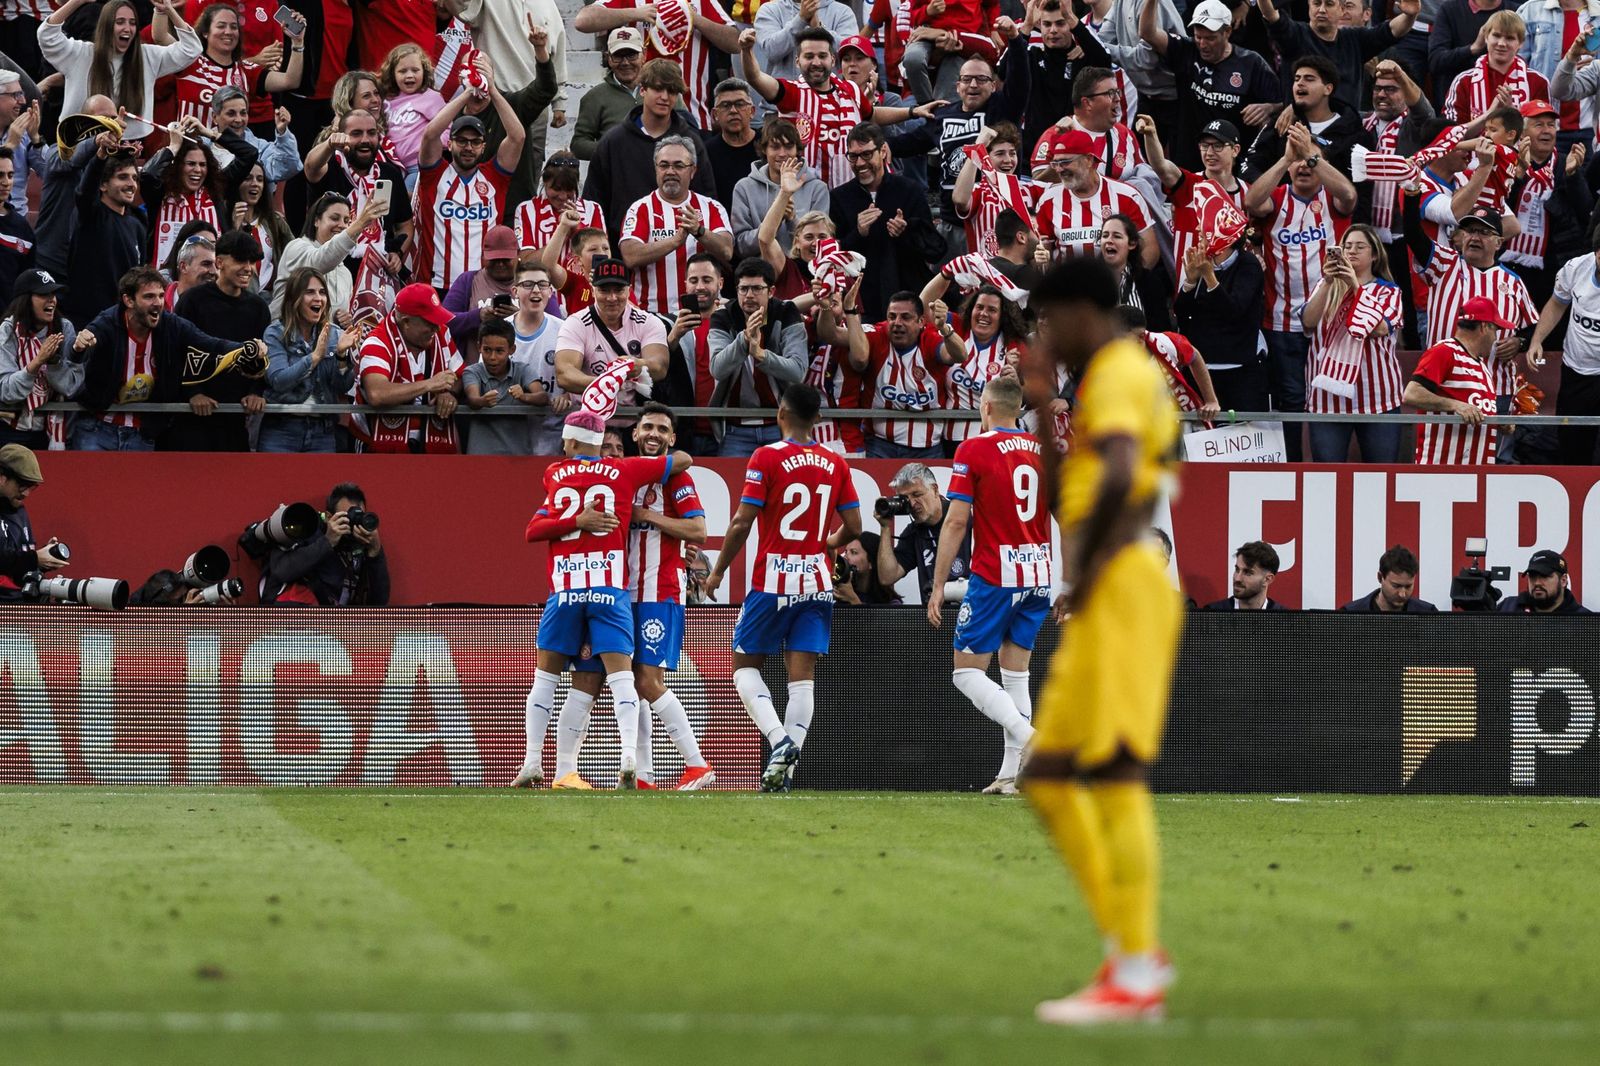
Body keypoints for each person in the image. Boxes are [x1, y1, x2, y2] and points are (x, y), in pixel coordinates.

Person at [1022, 258, 1180, 1023]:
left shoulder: (1121, 367)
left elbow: (1121, 474)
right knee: (1048, 775)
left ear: (1085, 309)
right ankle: (1132, 951)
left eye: (1052, 318)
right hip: (1104, 581)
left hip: (1121, 582)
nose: (1047, 334)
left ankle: (1137, 968)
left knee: (1113, 771)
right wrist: (1042, 404)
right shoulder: (1092, 385)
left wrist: (1082, 569)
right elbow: (1070, 495)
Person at [520, 409, 696, 790]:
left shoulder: (553, 475)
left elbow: (533, 530)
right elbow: (682, 459)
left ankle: (536, 762)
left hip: (564, 591)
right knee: (623, 680)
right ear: (604, 445)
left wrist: (574, 521)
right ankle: (630, 760)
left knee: (547, 681)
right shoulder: (625, 472)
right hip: (609, 590)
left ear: (567, 442)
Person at [703, 383, 862, 792]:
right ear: (818, 420)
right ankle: (784, 776)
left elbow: (741, 522)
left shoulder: (766, 456)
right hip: (817, 581)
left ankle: (780, 742)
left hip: (774, 579)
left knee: (743, 669)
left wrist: (718, 571)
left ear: (780, 413)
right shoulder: (835, 462)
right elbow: (856, 528)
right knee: (802, 680)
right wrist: (827, 543)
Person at [926, 376, 1048, 794]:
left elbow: (957, 519)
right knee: (1016, 677)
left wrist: (939, 583)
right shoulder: (1043, 450)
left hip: (997, 574)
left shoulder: (974, 448)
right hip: (1038, 573)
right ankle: (1012, 776)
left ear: (988, 408)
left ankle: (1033, 739)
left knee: (966, 674)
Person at [617, 403, 716, 789]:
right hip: (625, 593)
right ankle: (644, 774)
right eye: (648, 427)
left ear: (672, 439)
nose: (654, 434)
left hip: (661, 591)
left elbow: (699, 530)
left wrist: (650, 517)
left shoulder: (677, 478)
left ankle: (697, 764)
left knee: (646, 679)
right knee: (633, 683)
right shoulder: (624, 475)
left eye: (662, 429)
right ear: (635, 434)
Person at [1244, 120, 1356, 462]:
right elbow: (1251, 201)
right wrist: (1286, 159)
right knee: (1291, 399)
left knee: (1330, 398)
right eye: (1297, 161)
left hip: (1331, 322)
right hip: (1280, 324)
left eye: (1310, 161)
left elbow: (1350, 195)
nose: (1303, 167)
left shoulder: (1332, 199)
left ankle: (1328, 467)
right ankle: (1294, 466)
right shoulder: (1276, 200)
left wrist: (1311, 154)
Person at [73, 266, 258, 451]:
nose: (158, 303)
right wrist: (79, 345)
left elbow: (209, 344)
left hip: (141, 433)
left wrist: (247, 348)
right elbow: (80, 349)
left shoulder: (171, 324)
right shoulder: (108, 323)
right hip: (97, 429)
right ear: (128, 300)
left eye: (161, 296)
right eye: (149, 297)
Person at [582, 59, 719, 253]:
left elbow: (707, 202)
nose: (665, 97)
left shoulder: (692, 142)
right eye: (658, 89)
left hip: (683, 255)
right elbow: (594, 205)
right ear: (643, 89)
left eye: (672, 91)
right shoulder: (613, 142)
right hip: (624, 252)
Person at [1302, 224, 1406, 463]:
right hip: (1327, 398)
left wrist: (1356, 286)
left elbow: (1378, 328)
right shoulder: (1324, 286)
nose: (1351, 251)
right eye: (1346, 246)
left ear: (1375, 255)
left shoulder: (1388, 291)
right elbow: (1308, 322)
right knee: (1327, 476)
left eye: (1360, 247)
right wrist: (1329, 281)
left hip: (1377, 398)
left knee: (1381, 476)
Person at [1138, 0, 1279, 170]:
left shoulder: (1251, 63)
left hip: (1232, 166)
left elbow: (1283, 102)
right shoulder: (1186, 50)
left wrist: (1269, 108)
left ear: (1227, 31)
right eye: (1199, 37)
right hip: (1188, 163)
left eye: (1210, 38)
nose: (1203, 44)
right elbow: (1147, 33)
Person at [411, 88, 526, 291]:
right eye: (462, 141)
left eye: (475, 142)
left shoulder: (494, 177)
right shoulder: (434, 176)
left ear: (483, 146)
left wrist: (491, 89)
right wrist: (466, 94)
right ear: (450, 143)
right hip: (436, 284)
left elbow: (517, 137)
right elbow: (430, 134)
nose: (468, 147)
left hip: (482, 284)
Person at [829, 122, 944, 320]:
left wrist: (906, 232)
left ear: (883, 151)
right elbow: (834, 255)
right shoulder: (840, 197)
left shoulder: (910, 190)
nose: (860, 163)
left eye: (866, 154)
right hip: (862, 303)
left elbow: (935, 250)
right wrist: (859, 233)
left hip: (908, 299)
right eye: (853, 156)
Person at [169, 229, 271, 451]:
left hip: (236, 419)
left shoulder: (258, 307)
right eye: (241, 260)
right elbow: (176, 352)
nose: (248, 268)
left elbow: (264, 356)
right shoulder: (192, 301)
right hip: (191, 419)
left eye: (251, 261)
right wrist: (193, 393)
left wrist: (256, 392)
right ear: (219, 262)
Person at [573, 0, 744, 131]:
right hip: (640, 125)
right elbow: (583, 21)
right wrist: (635, 13)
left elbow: (735, 42)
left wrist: (694, 19)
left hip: (693, 118)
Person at [620, 135, 734, 315]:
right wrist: (675, 242)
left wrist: (699, 231)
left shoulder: (711, 207)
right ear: (656, 169)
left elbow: (727, 250)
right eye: (664, 165)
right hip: (653, 315)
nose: (670, 171)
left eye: (679, 165)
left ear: (693, 171)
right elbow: (630, 255)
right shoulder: (640, 208)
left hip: (703, 315)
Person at [708, 257, 809, 455]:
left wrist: (761, 355)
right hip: (735, 427)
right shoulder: (723, 317)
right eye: (743, 289)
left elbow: (798, 372)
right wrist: (744, 339)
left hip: (781, 424)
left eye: (757, 288)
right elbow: (717, 369)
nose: (749, 295)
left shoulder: (786, 313)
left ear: (771, 291)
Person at [997, 0, 1117, 162]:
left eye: (1061, 24)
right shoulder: (1032, 56)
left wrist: (1072, 18)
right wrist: (1027, 26)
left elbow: (1104, 60)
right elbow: (1003, 72)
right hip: (1033, 153)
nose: (1053, 30)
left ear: (1071, 25)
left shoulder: (1083, 59)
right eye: (1047, 24)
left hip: (1075, 152)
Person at [553, 256, 670, 421]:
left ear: (629, 290)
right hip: (588, 420)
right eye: (604, 290)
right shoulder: (576, 323)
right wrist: (606, 383)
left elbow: (660, 367)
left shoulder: (649, 322)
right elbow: (564, 374)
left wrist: (637, 365)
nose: (612, 298)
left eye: (619, 290)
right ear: (593, 290)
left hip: (634, 423)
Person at [39, 0, 202, 117]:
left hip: (129, 146)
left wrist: (168, 10)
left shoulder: (146, 56)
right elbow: (47, 36)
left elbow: (192, 49)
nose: (127, 28)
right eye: (120, 22)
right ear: (106, 26)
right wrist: (76, 2)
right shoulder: (82, 53)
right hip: (81, 142)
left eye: (132, 23)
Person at [303, 108, 413, 281]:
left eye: (371, 133)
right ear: (342, 136)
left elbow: (405, 225)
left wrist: (397, 254)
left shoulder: (389, 174)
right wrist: (329, 144)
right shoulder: (331, 166)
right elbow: (310, 167)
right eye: (356, 133)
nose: (365, 140)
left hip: (378, 275)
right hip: (331, 275)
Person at [1255, 0, 1418, 115]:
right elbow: (1271, 16)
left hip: (1346, 130)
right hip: (1301, 126)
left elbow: (1392, 31)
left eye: (1329, 4)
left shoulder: (1355, 39)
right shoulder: (1295, 34)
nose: (1322, 9)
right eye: (1316, 3)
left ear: (1341, 10)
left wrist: (1410, 15)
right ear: (1309, 7)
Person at [355, 282, 463, 454]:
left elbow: (460, 375)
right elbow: (377, 394)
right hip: (376, 445)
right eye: (430, 322)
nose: (436, 328)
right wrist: (430, 384)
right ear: (406, 322)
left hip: (430, 442)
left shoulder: (442, 332)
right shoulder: (376, 342)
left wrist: (449, 393)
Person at [138, 117, 259, 269]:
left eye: (203, 165)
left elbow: (249, 154)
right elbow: (148, 175)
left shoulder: (216, 190)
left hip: (211, 280)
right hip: (164, 280)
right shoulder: (160, 193)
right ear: (178, 166)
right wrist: (174, 146)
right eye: (190, 164)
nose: (197, 170)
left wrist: (208, 132)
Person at [261, 266, 360, 453]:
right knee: (274, 483)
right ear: (294, 299)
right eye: (310, 292)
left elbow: (342, 386)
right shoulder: (276, 333)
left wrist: (341, 356)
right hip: (281, 430)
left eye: (322, 293)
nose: (318, 298)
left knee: (321, 483)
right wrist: (313, 358)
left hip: (323, 432)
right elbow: (278, 380)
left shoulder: (334, 334)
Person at [1402, 296, 1510, 465]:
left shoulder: (1482, 366)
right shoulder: (1445, 351)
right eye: (1495, 330)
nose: (1496, 338)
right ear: (1484, 327)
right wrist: (1456, 405)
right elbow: (1411, 393)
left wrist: (1498, 423)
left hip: (1477, 474)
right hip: (1441, 471)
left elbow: (1475, 412)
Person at [160, 1, 304, 128]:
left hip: (232, 155)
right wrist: (161, 9)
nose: (228, 32)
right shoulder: (190, 61)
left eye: (234, 27)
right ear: (205, 32)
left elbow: (290, 80)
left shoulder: (246, 70)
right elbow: (160, 36)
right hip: (194, 154)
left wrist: (298, 43)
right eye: (221, 26)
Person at [853, 291, 958, 459]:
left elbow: (957, 356)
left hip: (928, 449)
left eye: (905, 317)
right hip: (880, 445)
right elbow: (834, 335)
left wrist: (945, 329)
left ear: (921, 321)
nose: (897, 323)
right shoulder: (877, 335)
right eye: (892, 316)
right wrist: (847, 311)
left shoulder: (929, 339)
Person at [1035, 128, 1159, 266]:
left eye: (1065, 162)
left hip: (1115, 285)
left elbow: (1150, 247)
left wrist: (1129, 282)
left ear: (1088, 160)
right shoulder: (1048, 201)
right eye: (1055, 164)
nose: (1058, 169)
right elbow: (1041, 251)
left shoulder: (1127, 196)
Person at [1175, 233, 1265, 412]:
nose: (1200, 242)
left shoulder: (1248, 264)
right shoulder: (1202, 264)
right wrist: (1190, 281)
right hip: (1202, 369)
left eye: (1204, 236)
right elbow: (1182, 314)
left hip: (1239, 370)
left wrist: (1210, 277)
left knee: (1242, 434)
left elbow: (1234, 311)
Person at [1528, 237, 1600, 464]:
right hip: (1577, 371)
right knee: (1572, 444)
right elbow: (1558, 303)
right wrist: (1536, 340)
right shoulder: (1575, 268)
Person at [260, 482, 390, 606]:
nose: (352, 523)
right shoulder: (308, 530)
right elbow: (281, 572)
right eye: (346, 517)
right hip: (295, 617)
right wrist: (327, 542)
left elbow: (379, 603)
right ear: (329, 517)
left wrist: (375, 552)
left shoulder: (360, 544)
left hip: (333, 622)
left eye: (358, 516)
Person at [270, 193, 386, 319]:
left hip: (326, 338)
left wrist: (345, 320)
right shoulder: (296, 248)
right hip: (283, 335)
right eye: (335, 218)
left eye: (347, 221)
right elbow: (320, 261)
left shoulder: (345, 273)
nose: (342, 225)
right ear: (316, 221)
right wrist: (360, 224)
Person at [66, 147, 144, 329]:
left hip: (123, 323)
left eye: (134, 177)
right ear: (103, 185)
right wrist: (100, 156)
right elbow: (84, 193)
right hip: (87, 323)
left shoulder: (137, 225)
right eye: (122, 177)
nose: (131, 184)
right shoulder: (91, 215)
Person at [0, 270, 80, 449]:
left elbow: (71, 387)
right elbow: (6, 391)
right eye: (44, 294)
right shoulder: (7, 331)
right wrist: (36, 363)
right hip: (11, 430)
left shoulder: (64, 328)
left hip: (53, 430)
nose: (52, 300)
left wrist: (53, 363)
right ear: (25, 300)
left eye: (53, 294)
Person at [734, 123, 831, 266]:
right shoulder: (744, 188)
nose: (782, 153)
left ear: (798, 150)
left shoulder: (817, 188)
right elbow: (741, 247)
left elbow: (820, 244)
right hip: (760, 273)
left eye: (788, 146)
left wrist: (793, 220)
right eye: (775, 147)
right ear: (764, 150)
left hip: (803, 271)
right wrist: (774, 220)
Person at [876, 461, 971, 602]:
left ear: (935, 490)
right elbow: (887, 577)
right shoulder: (914, 532)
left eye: (917, 494)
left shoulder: (963, 518)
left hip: (973, 612)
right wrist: (884, 527)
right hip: (934, 618)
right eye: (905, 499)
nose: (913, 504)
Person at [508, 259, 568, 456]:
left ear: (551, 291)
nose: (536, 290)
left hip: (553, 435)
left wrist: (568, 395)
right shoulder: (501, 330)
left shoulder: (565, 330)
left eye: (542, 284)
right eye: (527, 284)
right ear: (514, 291)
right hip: (511, 434)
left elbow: (579, 375)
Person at [1443, 10, 1548, 123]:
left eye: (1510, 38)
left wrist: (1512, 113)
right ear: (1486, 37)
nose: (1502, 43)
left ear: (1521, 43)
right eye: (1496, 36)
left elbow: (1543, 132)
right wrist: (1489, 116)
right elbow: (1453, 133)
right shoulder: (1463, 81)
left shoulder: (1538, 82)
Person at [462, 317, 544, 455]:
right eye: (487, 350)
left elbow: (542, 397)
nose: (493, 357)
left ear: (512, 349)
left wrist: (524, 396)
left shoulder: (523, 370)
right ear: (479, 347)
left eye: (499, 351)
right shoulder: (472, 371)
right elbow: (472, 399)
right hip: (480, 457)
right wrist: (483, 401)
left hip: (518, 457)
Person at [512, 153, 607, 260]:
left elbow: (600, 259)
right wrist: (563, 231)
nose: (563, 196)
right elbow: (526, 262)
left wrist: (577, 229)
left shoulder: (593, 209)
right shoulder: (526, 210)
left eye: (569, 189)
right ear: (545, 181)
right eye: (557, 189)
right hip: (542, 277)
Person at [0, 444, 65, 601]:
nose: (26, 493)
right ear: (2, 477)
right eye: (22, 485)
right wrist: (34, 558)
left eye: (31, 487)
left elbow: (15, 562)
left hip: (20, 604)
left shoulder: (19, 511)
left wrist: (42, 560)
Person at [377, 43, 447, 186]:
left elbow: (448, 130)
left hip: (419, 166)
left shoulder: (431, 97)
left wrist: (432, 144)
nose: (409, 75)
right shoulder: (387, 100)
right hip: (391, 166)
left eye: (415, 70)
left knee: (407, 199)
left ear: (424, 71)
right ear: (392, 74)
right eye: (402, 71)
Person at [572, 28, 644, 162]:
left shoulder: (661, 91)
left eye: (631, 55)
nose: (625, 62)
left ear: (643, 56)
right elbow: (578, 144)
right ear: (608, 58)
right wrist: (612, 149)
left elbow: (686, 131)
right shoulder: (595, 97)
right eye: (618, 56)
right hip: (612, 176)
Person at [753, 0, 862, 88]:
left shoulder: (843, 12)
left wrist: (819, 29)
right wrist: (800, 20)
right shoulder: (769, 10)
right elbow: (771, 51)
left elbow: (850, 53)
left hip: (829, 105)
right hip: (780, 107)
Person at [227, 161, 293, 293]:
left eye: (260, 179)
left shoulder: (275, 221)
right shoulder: (222, 216)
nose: (255, 184)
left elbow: (295, 252)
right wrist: (235, 228)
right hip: (236, 297)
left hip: (269, 299)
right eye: (248, 178)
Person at [700, 77, 761, 213]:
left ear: (752, 111)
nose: (733, 110)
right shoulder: (706, 152)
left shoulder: (769, 145)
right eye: (726, 105)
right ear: (715, 114)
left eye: (740, 104)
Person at [1340, 545, 1438, 612]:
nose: (1402, 594)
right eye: (1396, 586)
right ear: (1380, 577)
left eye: (1408, 586)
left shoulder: (1430, 615)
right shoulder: (1349, 614)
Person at [1201, 540, 1288, 610]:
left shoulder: (1285, 620)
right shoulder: (1212, 613)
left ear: (1267, 579)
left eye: (1248, 573)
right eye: (1237, 569)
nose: (1237, 578)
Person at [1500, 549, 1590, 613]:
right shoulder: (1508, 607)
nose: (1537, 583)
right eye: (1532, 576)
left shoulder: (1585, 621)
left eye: (1544, 576)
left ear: (1563, 580)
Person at [833, 531, 900, 604]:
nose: (845, 557)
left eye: (854, 552)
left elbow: (869, 615)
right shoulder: (840, 594)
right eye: (846, 552)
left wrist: (853, 600)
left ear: (871, 561)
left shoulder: (892, 603)